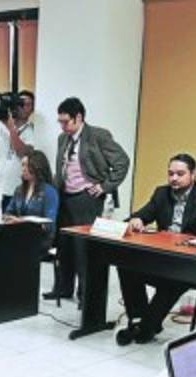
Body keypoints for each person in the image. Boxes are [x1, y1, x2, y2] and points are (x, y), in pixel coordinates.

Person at [115, 153, 196, 346]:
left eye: (180, 174)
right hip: (162, 256)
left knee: (172, 279)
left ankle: (146, 326)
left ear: (193, 175)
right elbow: (144, 214)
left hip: (188, 263)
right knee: (126, 265)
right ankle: (139, 319)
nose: (174, 178)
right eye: (170, 173)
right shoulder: (161, 193)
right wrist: (137, 219)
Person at [47, 96, 130, 301]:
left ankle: (86, 293)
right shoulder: (62, 138)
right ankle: (63, 287)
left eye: (66, 122)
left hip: (87, 197)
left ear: (78, 117)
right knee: (64, 245)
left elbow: (122, 162)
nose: (62, 126)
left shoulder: (98, 136)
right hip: (65, 195)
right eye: (60, 122)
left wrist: (105, 186)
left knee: (83, 247)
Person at [0, 90, 35, 209]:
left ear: (32, 109)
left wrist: (11, 128)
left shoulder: (30, 131)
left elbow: (21, 152)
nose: (23, 107)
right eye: (21, 103)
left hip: (11, 189)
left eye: (27, 104)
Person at [4, 149, 58, 248]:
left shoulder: (49, 192)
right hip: (20, 236)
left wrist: (22, 222)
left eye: (26, 165)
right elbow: (8, 212)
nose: (23, 169)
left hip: (39, 240)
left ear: (37, 167)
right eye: (22, 165)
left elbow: (49, 225)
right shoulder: (19, 190)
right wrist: (8, 218)